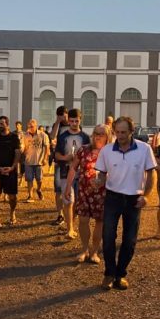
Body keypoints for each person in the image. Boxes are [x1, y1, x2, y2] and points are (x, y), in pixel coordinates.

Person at [94, 117, 156, 291]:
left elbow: (151, 174)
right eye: (117, 132)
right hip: (112, 197)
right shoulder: (107, 150)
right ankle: (109, 273)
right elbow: (102, 174)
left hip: (134, 199)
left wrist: (146, 195)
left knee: (129, 240)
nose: (120, 136)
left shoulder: (144, 149)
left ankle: (120, 274)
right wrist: (98, 181)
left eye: (124, 132)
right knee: (108, 237)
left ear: (131, 131)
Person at [65, 124, 110, 263]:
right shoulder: (83, 150)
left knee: (100, 222)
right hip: (84, 191)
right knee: (83, 221)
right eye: (96, 133)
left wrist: (104, 179)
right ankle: (84, 249)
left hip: (103, 193)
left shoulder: (110, 152)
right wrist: (68, 187)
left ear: (107, 136)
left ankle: (94, 251)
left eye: (101, 134)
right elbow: (73, 168)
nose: (98, 136)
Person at [54, 108, 89, 239]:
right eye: (72, 121)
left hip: (81, 174)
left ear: (80, 120)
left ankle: (72, 224)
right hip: (65, 172)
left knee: (77, 202)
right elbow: (57, 154)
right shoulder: (63, 137)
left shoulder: (85, 137)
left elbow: (89, 155)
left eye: (76, 121)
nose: (74, 123)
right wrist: (66, 157)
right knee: (68, 200)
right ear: (68, 121)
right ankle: (69, 229)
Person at [0, 116, 21, 226]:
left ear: (7, 124)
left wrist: (13, 167)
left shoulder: (14, 137)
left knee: (12, 196)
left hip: (11, 170)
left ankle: (12, 212)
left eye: (2, 124)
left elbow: (17, 153)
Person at [22, 119, 48, 202]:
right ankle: (30, 196)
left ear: (36, 126)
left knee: (39, 179)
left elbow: (47, 147)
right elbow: (22, 146)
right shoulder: (25, 135)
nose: (30, 128)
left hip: (39, 161)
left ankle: (39, 189)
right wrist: (23, 150)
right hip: (28, 161)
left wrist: (45, 158)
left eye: (32, 126)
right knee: (29, 179)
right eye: (29, 126)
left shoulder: (43, 135)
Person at [50, 106, 69, 217]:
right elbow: (52, 136)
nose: (62, 117)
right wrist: (57, 122)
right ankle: (60, 214)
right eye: (60, 115)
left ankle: (71, 211)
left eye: (63, 114)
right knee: (58, 189)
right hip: (59, 161)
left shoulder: (73, 124)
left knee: (72, 187)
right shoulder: (57, 125)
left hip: (71, 162)